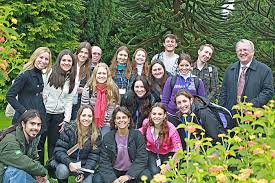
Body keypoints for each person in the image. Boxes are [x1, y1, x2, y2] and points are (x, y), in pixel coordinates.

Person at [94, 106, 152, 183]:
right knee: (97, 179)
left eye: (124, 117)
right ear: (114, 120)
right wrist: (112, 180)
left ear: (129, 119)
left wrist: (128, 176)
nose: (121, 120)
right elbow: (104, 161)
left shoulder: (137, 135)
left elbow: (141, 158)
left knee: (146, 176)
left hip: (131, 170)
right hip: (114, 171)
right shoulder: (108, 137)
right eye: (118, 118)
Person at [41, 49, 77, 164]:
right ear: (59, 61)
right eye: (64, 60)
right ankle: (39, 169)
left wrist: (66, 119)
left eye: (69, 61)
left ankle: (52, 168)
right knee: (40, 141)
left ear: (72, 63)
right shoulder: (49, 73)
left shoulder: (73, 79)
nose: (66, 63)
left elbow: (69, 100)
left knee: (54, 143)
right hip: (44, 112)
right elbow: (41, 91)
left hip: (58, 115)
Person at [219, 39, 274, 112]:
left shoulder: (265, 70)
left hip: (253, 116)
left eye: (245, 50)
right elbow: (224, 91)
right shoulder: (230, 69)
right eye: (239, 50)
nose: (242, 52)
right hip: (231, 115)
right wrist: (223, 110)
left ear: (253, 52)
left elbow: (268, 92)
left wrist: (250, 105)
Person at [53, 105, 101, 183]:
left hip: (84, 165)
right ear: (79, 116)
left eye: (89, 116)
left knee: (88, 181)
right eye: (84, 115)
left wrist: (85, 173)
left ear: (93, 118)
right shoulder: (69, 129)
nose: (86, 118)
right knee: (62, 171)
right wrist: (69, 163)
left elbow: (94, 156)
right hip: (68, 162)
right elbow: (59, 150)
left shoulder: (96, 133)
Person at [6, 47, 52, 125]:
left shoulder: (42, 75)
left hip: (38, 119)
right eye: (41, 57)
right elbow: (10, 96)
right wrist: (24, 111)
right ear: (35, 57)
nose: (43, 61)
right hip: (24, 120)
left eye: (46, 59)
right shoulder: (25, 75)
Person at [0, 110, 48, 183]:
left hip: (17, 176)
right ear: (23, 124)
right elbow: (20, 160)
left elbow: (34, 159)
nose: (36, 127)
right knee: (17, 171)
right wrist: (42, 171)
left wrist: (38, 175)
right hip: (4, 175)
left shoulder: (31, 138)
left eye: (38, 124)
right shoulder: (10, 140)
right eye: (32, 123)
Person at [139, 103, 182, 175]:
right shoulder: (146, 123)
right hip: (152, 152)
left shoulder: (171, 128)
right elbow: (140, 131)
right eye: (154, 114)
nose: (156, 116)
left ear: (164, 115)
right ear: (150, 114)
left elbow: (179, 151)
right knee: (155, 172)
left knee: (166, 174)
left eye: (160, 114)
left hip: (168, 152)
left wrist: (167, 167)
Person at [81, 63, 120, 137]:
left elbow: (111, 109)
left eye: (104, 73)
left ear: (107, 75)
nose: (101, 76)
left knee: (103, 139)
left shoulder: (113, 89)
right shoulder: (88, 88)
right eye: (99, 73)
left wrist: (104, 122)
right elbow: (84, 107)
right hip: (89, 120)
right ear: (95, 74)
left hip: (106, 122)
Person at [162, 53, 206, 118]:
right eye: (181, 65)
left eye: (187, 65)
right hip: (172, 115)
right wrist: (165, 113)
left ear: (191, 65)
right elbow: (165, 100)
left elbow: (202, 100)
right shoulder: (171, 80)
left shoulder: (197, 81)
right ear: (178, 66)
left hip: (191, 116)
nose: (184, 68)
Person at [71, 42, 92, 121]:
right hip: (64, 101)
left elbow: (91, 87)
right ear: (77, 52)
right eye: (81, 52)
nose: (83, 55)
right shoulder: (70, 64)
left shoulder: (89, 70)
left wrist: (84, 90)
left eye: (86, 53)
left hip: (78, 102)